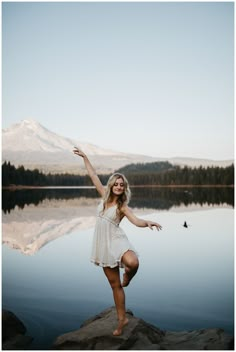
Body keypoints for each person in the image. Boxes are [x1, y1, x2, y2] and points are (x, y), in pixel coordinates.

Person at [73, 147, 162, 336]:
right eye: (117, 184)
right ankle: (122, 319)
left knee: (133, 262)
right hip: (103, 245)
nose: (119, 187)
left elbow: (135, 220)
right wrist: (86, 158)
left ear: (124, 188)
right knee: (115, 285)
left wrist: (147, 223)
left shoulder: (122, 206)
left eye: (122, 185)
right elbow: (93, 175)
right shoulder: (103, 197)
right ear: (112, 185)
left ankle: (128, 275)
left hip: (117, 240)